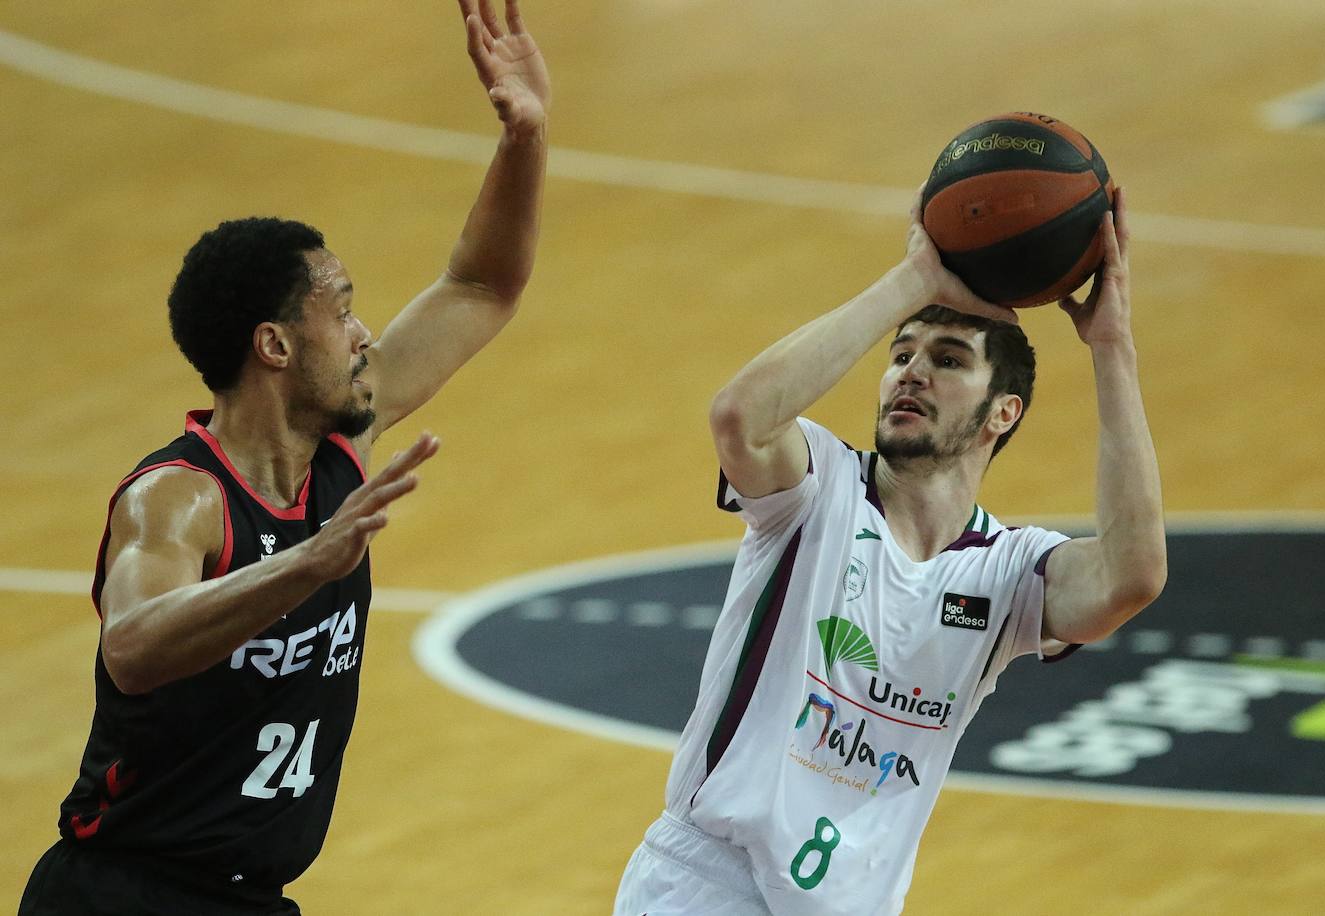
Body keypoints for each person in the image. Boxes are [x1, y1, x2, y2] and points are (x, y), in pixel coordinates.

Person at [18, 2, 548, 913]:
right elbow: (135, 648)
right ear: (274, 345)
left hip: (249, 897)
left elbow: (481, 284)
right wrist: (308, 562)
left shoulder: (341, 445)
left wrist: (526, 137)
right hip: (123, 895)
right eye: (340, 309)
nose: (364, 331)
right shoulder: (179, 499)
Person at [614, 187, 1166, 915]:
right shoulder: (818, 488)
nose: (911, 371)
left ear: (1004, 412)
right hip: (710, 887)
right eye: (901, 354)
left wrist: (1111, 348)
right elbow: (738, 419)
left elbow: (1132, 576)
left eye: (947, 359)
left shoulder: (1007, 571)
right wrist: (914, 280)